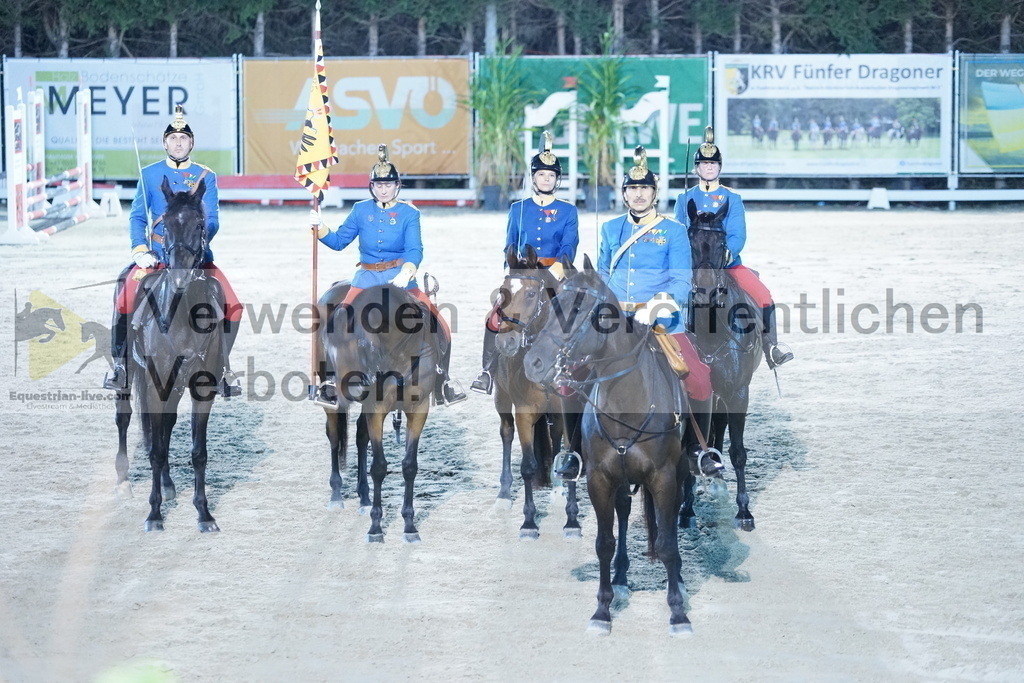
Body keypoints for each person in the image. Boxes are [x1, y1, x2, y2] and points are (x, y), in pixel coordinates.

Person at [308, 144, 466, 406]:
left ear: (397, 186)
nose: (383, 189)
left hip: (400, 278)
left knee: (440, 325)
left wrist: (407, 270)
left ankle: (442, 381)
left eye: (388, 185)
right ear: (372, 187)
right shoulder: (360, 210)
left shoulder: (409, 213)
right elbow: (338, 242)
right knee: (336, 325)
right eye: (378, 185)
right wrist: (320, 227)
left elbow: (415, 249)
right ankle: (330, 382)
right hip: (366, 279)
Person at [103, 105, 242, 395]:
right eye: (173, 139)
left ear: (191, 144)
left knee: (233, 306)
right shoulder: (149, 174)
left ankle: (223, 370)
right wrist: (140, 249)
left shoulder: (205, 176)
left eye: (184, 139)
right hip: (156, 257)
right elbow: (138, 217)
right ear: (165, 143)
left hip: (196, 257)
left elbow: (213, 220)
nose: (178, 143)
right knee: (125, 298)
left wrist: (196, 249)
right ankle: (120, 368)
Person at [674, 126, 794, 370]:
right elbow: (678, 233)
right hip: (693, 266)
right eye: (704, 165)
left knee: (763, 294)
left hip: (726, 263)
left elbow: (738, 234)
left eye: (713, 164)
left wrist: (726, 253)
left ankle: (772, 346)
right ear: (696, 168)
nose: (709, 168)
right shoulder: (684, 198)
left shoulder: (732, 198)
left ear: (719, 167)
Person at [471, 131, 579, 395]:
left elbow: (569, 245)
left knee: (572, 316)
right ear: (533, 178)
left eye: (551, 175)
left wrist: (555, 268)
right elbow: (509, 243)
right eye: (541, 175)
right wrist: (513, 265)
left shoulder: (568, 210)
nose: (546, 179)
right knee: (495, 315)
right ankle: (487, 370)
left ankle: (571, 370)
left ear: (557, 179)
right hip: (523, 274)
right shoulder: (518, 208)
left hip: (555, 273)